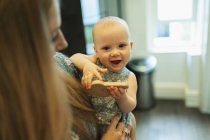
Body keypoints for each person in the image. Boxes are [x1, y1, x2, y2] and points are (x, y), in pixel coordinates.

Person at [0, 0, 132, 139]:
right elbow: (77, 58)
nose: (64, 43)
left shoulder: (57, 63)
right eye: (52, 37)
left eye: (121, 46)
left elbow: (129, 111)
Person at [70, 16, 137, 139]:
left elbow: (130, 107)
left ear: (130, 46)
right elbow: (74, 58)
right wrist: (86, 65)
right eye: (106, 48)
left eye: (121, 46)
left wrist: (122, 97)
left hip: (116, 126)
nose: (115, 53)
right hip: (91, 124)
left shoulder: (129, 77)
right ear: (96, 51)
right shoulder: (94, 61)